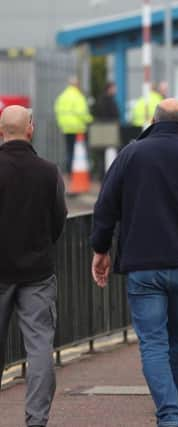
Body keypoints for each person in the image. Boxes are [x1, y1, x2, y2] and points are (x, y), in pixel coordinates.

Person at [90, 98, 178, 427]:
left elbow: (105, 205)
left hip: (144, 266)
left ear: (153, 121)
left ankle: (169, 418)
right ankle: (173, 413)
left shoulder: (131, 154)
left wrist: (101, 249)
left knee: (153, 342)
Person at [0, 106, 67, 427]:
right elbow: (59, 219)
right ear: (31, 128)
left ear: (1, 132)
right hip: (37, 273)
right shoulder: (49, 171)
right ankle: (36, 420)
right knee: (39, 347)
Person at [54, 76, 93, 174]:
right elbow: (82, 113)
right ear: (76, 84)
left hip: (66, 128)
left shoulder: (62, 96)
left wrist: (62, 123)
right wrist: (90, 120)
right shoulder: (78, 96)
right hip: (78, 128)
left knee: (69, 150)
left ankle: (69, 171)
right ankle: (80, 171)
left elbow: (57, 111)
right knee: (80, 152)